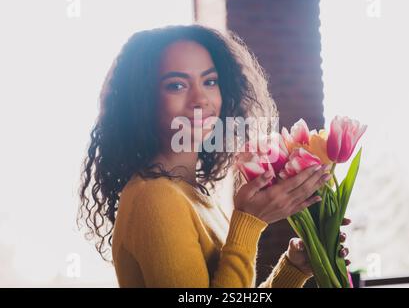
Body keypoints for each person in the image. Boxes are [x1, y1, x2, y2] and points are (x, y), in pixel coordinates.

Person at [78, 25, 349, 287]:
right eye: (176, 85)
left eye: (209, 81)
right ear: (141, 102)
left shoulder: (193, 194)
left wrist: (294, 268)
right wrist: (249, 223)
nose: (201, 99)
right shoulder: (155, 198)